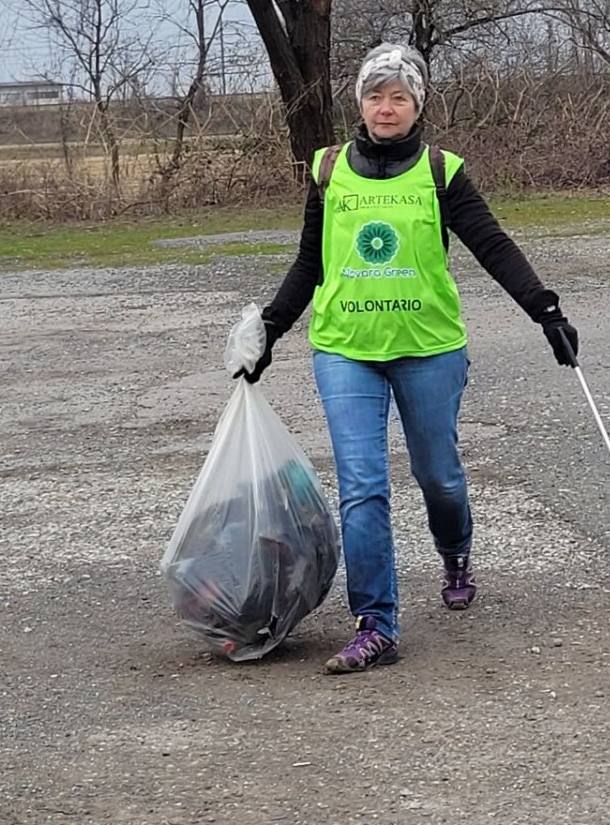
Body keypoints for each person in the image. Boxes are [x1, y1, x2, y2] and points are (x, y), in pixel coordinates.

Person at [237, 43, 582, 673]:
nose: (386, 107)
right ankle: (377, 623)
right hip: (345, 350)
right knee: (362, 488)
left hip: (429, 349)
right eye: (375, 95)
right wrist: (268, 329)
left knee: (439, 477)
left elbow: (492, 246)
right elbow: (309, 262)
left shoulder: (441, 171)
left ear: (418, 103)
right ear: (360, 103)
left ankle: (455, 551)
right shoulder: (328, 169)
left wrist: (546, 310)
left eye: (399, 95)